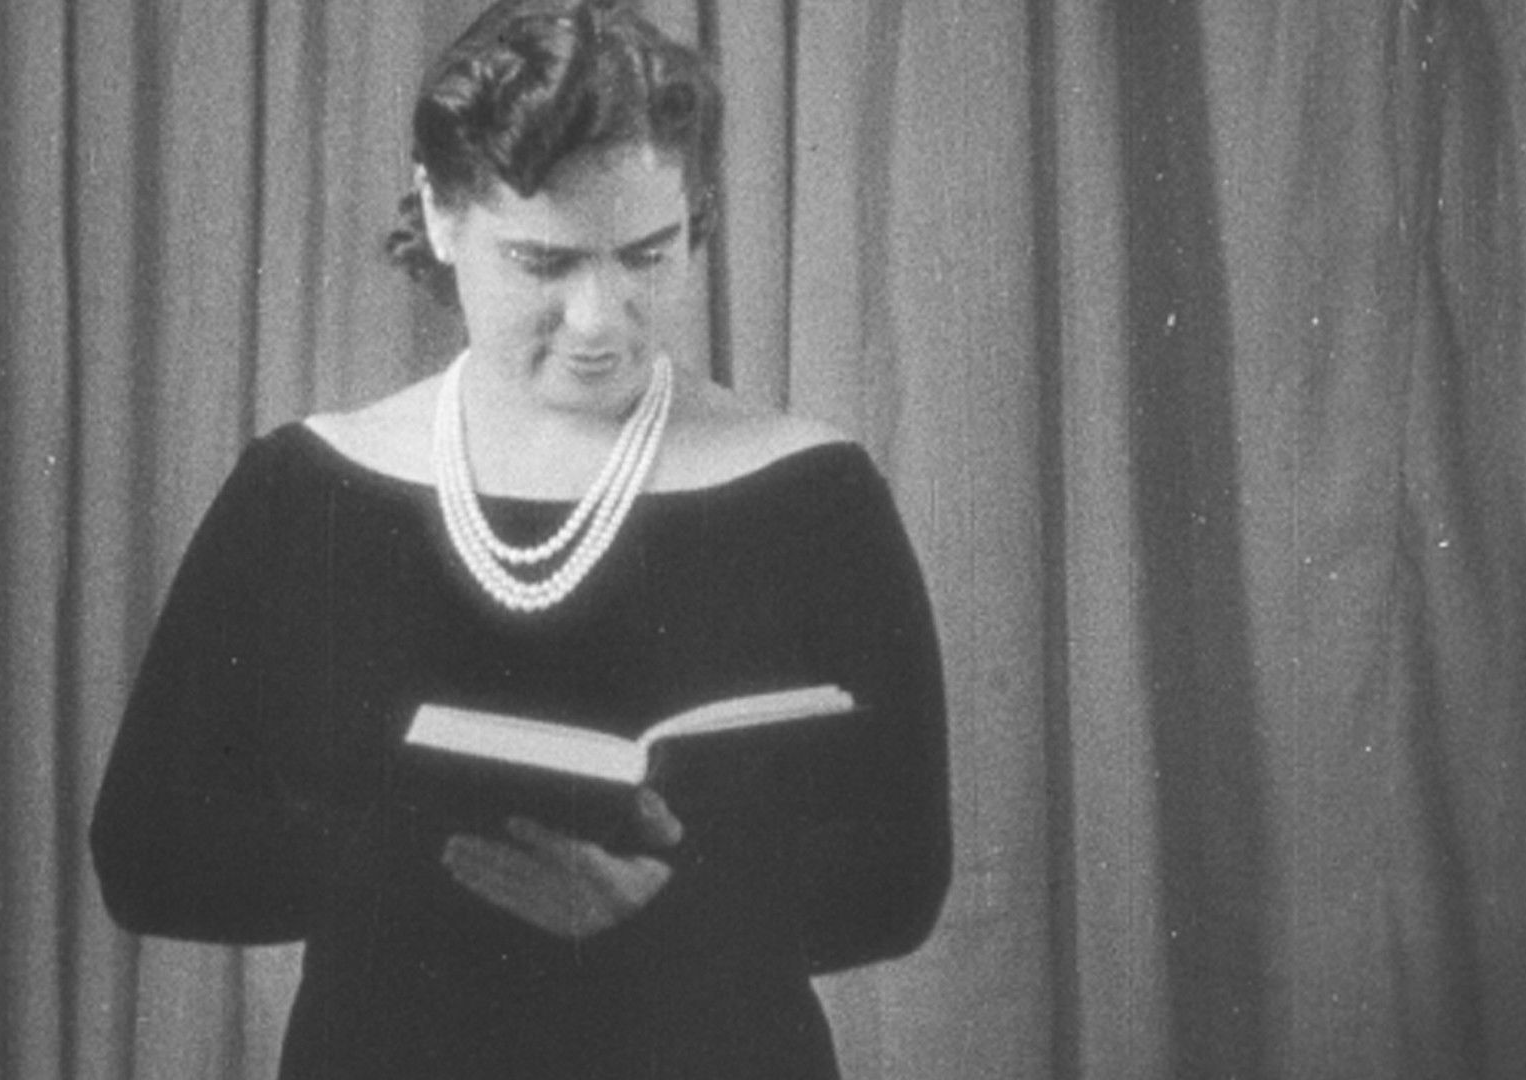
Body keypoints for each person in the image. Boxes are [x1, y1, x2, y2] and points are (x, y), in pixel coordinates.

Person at [89, 2, 951, 1076]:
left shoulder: (815, 496)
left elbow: (901, 883)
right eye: (544, 263)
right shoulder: (301, 490)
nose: (600, 319)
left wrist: (671, 909)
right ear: (441, 216)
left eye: (647, 255)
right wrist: (420, 858)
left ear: (697, 220)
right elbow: (147, 857)